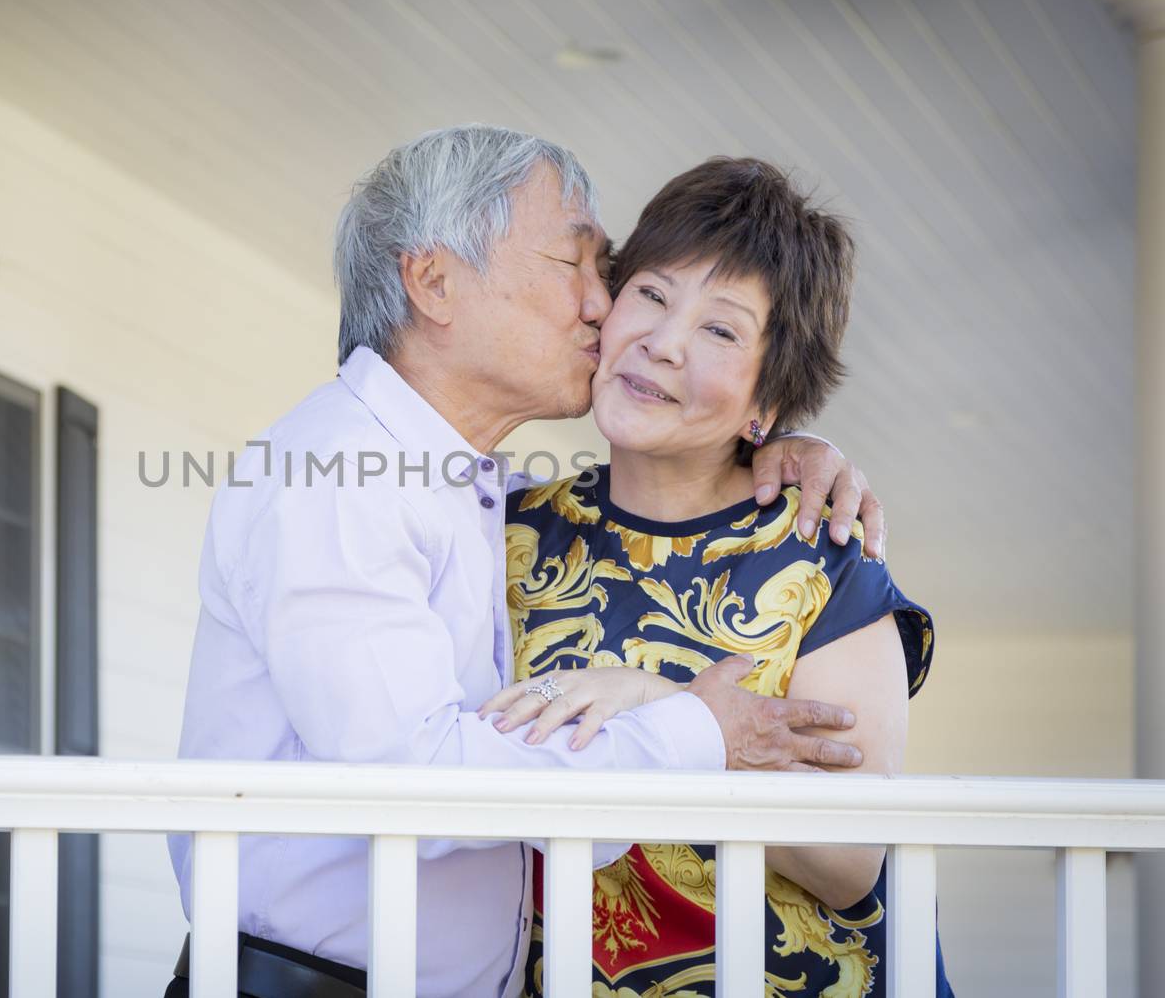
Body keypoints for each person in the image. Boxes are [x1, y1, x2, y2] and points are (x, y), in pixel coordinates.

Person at [166, 126, 889, 998]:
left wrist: (797, 445)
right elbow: (418, 779)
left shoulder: (472, 491)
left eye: (603, 273)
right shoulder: (346, 478)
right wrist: (696, 727)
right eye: (581, 268)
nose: (603, 306)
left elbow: (857, 851)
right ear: (433, 282)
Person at [484, 157, 953, 996]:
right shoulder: (513, 535)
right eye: (654, 296)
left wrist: (662, 706)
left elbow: (850, 860)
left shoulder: (823, 552)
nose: (663, 343)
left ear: (766, 402)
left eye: (721, 330)